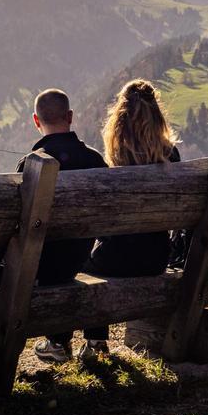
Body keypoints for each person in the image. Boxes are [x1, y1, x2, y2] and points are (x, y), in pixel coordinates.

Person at [43, 79, 180, 360]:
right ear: (157, 117)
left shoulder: (116, 159)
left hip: (116, 259)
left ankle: (87, 343)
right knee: (96, 260)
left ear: (119, 120)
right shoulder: (172, 156)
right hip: (157, 258)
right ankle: (91, 344)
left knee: (83, 265)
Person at [16, 89, 110, 363]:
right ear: (70, 117)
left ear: (36, 121)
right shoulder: (94, 160)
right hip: (83, 256)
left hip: (41, 264)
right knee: (66, 259)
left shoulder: (32, 163)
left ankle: (57, 343)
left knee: (46, 259)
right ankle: (84, 344)